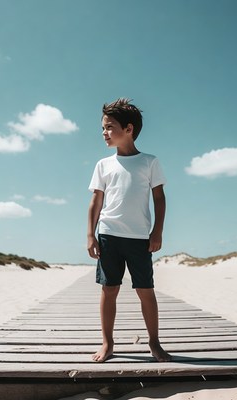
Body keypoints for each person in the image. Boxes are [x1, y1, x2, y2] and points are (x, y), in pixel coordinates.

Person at [87, 98, 171, 363]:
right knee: (109, 289)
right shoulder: (103, 165)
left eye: (110, 127)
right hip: (109, 234)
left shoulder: (149, 162)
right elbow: (96, 201)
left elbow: (159, 198)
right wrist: (91, 234)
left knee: (145, 290)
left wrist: (157, 231)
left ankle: (154, 343)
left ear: (129, 129)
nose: (104, 132)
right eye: (103, 127)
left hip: (138, 237)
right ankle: (107, 343)